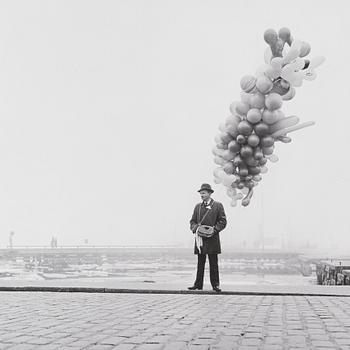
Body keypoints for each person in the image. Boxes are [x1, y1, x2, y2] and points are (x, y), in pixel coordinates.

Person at [189, 183, 227, 292]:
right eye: (200, 193)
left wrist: (213, 231)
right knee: (200, 263)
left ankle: (215, 285)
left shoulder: (218, 205)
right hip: (200, 239)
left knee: (213, 262)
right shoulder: (197, 207)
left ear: (209, 193)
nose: (201, 195)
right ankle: (198, 284)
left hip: (212, 239)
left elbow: (223, 221)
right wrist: (196, 228)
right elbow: (192, 221)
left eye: (203, 193)